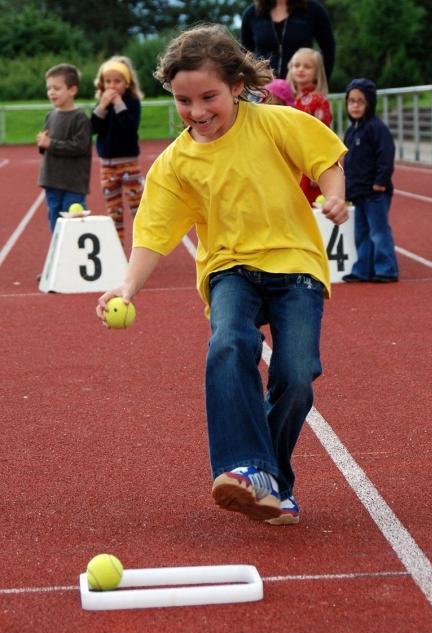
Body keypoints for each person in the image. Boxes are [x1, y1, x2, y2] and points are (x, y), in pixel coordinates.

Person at [96, 24, 348, 526]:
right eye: (185, 101)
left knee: (296, 380)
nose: (197, 112)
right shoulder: (175, 164)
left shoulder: (275, 123)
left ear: (236, 84)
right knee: (229, 343)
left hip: (295, 264)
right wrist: (126, 285)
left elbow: (327, 157)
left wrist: (333, 192)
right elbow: (154, 234)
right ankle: (244, 466)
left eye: (208, 96)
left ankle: (270, 479)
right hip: (229, 268)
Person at [342, 79, 399, 283]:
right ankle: (363, 270)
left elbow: (386, 154)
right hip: (359, 193)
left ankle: (387, 269)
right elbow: (349, 163)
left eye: (360, 102)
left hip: (376, 193)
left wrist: (380, 181)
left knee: (379, 232)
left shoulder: (376, 128)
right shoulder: (351, 131)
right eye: (351, 101)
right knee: (361, 234)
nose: (355, 106)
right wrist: (347, 191)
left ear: (370, 104)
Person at [91, 56, 144, 244]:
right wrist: (103, 106)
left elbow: (128, 127)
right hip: (107, 167)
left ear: (127, 83)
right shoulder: (100, 105)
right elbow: (92, 129)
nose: (112, 86)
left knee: (137, 209)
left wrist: (119, 104)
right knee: (114, 211)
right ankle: (117, 249)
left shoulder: (132, 103)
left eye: (117, 81)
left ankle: (142, 248)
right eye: (108, 81)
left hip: (129, 164)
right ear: (102, 84)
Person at [37, 63, 92, 233]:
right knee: (55, 223)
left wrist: (50, 143)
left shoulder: (80, 117)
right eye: (49, 88)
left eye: (56, 88)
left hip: (73, 183)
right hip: (51, 180)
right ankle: (59, 256)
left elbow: (80, 147)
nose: (51, 92)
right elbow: (47, 147)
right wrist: (42, 144)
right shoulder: (50, 115)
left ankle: (75, 258)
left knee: (74, 225)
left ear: (72, 90)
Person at [241, 0, 335, 81]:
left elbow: (328, 49)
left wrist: (321, 82)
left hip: (301, 87)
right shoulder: (252, 13)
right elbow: (244, 54)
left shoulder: (313, 9)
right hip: (263, 89)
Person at [287, 47, 332, 204]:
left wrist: (317, 170)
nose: (300, 69)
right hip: (290, 164)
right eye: (296, 65)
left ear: (317, 72)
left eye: (307, 66)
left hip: (308, 165)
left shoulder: (319, 101)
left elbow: (322, 138)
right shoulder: (288, 100)